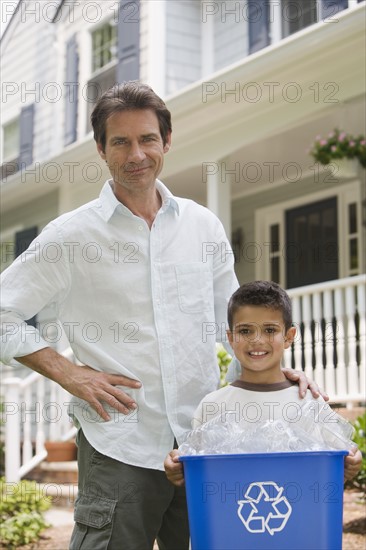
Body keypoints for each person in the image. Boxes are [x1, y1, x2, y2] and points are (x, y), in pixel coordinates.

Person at [1, 82, 328, 550]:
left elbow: (232, 322)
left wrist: (271, 373)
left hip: (202, 445)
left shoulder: (202, 226)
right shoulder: (69, 237)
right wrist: (69, 373)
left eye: (147, 139)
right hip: (120, 445)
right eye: (121, 141)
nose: (136, 154)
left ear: (166, 142)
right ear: (101, 149)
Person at [164, 281, 362, 487]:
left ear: (289, 336)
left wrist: (351, 464)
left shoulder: (309, 402)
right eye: (245, 331)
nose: (257, 340)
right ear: (230, 338)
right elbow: (196, 470)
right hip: (231, 515)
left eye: (269, 330)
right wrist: (178, 468)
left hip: (300, 515)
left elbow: (336, 464)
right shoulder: (213, 405)